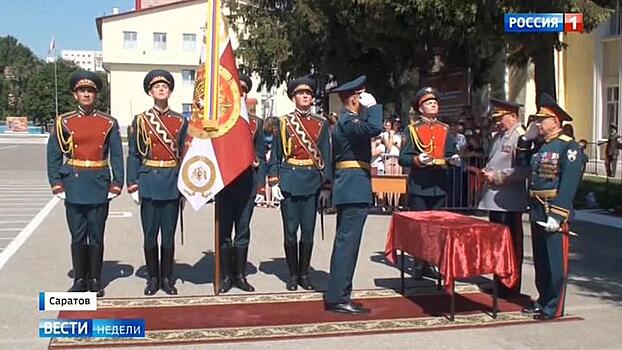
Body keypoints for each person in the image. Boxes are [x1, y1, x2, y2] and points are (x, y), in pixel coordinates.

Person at [47, 71, 124, 297]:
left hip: (99, 183)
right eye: (82, 90)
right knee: (78, 234)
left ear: (96, 95)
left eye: (90, 91)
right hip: (74, 183)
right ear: (75, 94)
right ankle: (80, 279)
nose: (86, 94)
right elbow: (53, 155)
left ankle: (96, 279)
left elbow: (117, 156)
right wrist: (56, 183)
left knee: (97, 234)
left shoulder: (108, 122)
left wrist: (117, 183)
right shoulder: (64, 121)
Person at [518, 93, 586, 320]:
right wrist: (524, 141)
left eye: (541, 120)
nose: (537, 124)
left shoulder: (569, 147)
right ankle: (543, 299)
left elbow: (568, 183)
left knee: (555, 262)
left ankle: (554, 307)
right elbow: (523, 167)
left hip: (553, 209)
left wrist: (558, 214)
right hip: (537, 208)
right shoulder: (540, 147)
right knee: (542, 261)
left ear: (555, 121)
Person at [324, 75, 382, 314]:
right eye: (361, 95)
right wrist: (375, 106)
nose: (364, 98)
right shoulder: (348, 121)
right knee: (347, 245)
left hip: (353, 186)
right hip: (352, 187)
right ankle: (338, 296)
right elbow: (375, 127)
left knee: (346, 244)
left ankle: (339, 292)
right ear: (354, 98)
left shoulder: (348, 120)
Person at [126, 70, 188, 295]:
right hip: (150, 182)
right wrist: (132, 184)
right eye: (157, 87)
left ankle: (167, 278)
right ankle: (152, 278)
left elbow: (185, 154)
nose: (161, 89)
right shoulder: (141, 120)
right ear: (150, 92)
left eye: (165, 86)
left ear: (170, 91)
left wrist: (186, 187)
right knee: (150, 235)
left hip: (172, 183)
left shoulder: (181, 121)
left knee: (169, 236)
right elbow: (133, 153)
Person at [268, 76, 332, 291]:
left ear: (312, 98)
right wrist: (274, 181)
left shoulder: (321, 124)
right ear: (293, 97)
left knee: (308, 232)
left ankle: (305, 274)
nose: (305, 96)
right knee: (289, 231)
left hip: (312, 182)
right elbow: (276, 155)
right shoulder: (283, 122)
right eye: (300, 94)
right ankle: (292, 274)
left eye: (308, 94)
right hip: (289, 181)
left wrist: (326, 187)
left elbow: (326, 156)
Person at [398, 87, 460, 279]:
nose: (433, 104)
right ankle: (418, 263)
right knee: (420, 226)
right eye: (428, 103)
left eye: (435, 102)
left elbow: (450, 153)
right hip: (420, 184)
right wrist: (416, 160)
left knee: (437, 227)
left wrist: (453, 159)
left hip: (439, 184)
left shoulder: (444, 129)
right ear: (421, 108)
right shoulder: (413, 130)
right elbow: (403, 158)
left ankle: (433, 261)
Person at [215, 73, 266, 294]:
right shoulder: (219, 120)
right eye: (237, 88)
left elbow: (261, 155)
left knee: (243, 231)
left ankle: (240, 275)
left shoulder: (256, 123)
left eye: (244, 89)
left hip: (246, 183)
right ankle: (226, 276)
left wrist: (262, 184)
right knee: (225, 231)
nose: (241, 92)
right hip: (225, 185)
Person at [478, 98, 529, 297]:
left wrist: (498, 176)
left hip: (509, 200)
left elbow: (523, 169)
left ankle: (511, 284)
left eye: (502, 117)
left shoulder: (520, 137)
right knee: (498, 244)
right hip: (495, 199)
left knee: (511, 245)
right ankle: (500, 281)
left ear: (514, 116)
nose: (498, 122)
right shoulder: (500, 136)